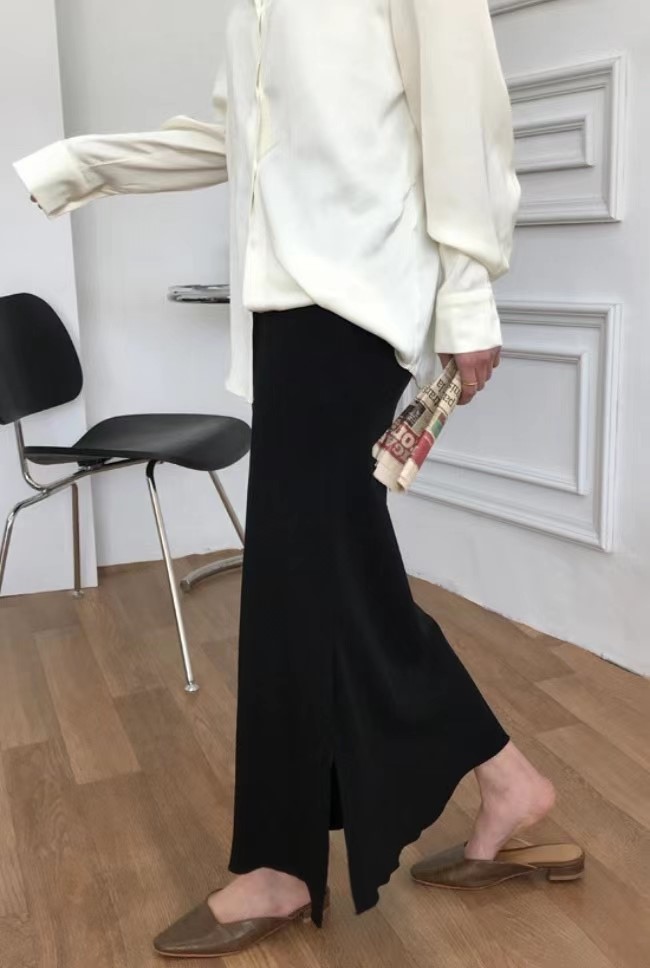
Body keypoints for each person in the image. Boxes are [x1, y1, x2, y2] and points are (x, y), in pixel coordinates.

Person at [14, 0, 584, 959]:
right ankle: (504, 780)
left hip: (354, 305)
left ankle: (281, 865)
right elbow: (237, 134)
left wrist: (470, 299)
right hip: (282, 312)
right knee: (324, 574)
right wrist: (86, 164)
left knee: (300, 577)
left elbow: (463, 114)